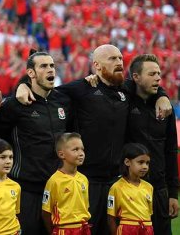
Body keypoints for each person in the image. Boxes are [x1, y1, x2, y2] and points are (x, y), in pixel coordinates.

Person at [17, 44, 171, 235]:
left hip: (116, 183)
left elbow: (150, 84)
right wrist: (23, 84)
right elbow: (44, 89)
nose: (119, 63)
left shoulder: (126, 88)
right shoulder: (81, 88)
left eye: (121, 59)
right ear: (97, 65)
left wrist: (163, 96)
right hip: (86, 182)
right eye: (112, 59)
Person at [0, 51, 71, 235]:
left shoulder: (63, 101)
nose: (50, 70)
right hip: (26, 190)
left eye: (52, 66)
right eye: (43, 66)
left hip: (57, 189)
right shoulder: (14, 105)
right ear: (31, 73)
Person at [125, 54, 178, 235]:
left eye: (159, 74)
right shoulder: (124, 102)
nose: (157, 78)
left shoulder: (166, 108)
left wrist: (173, 193)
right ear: (136, 78)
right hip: (130, 189)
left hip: (159, 190)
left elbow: (171, 151)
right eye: (152, 74)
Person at [42, 133, 91, 235]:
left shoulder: (84, 179)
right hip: (64, 230)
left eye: (82, 149)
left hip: (84, 228)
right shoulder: (54, 181)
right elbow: (46, 212)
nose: (81, 153)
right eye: (75, 149)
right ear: (61, 154)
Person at [107, 143, 154, 235]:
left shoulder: (149, 187)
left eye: (147, 163)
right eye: (140, 162)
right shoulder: (116, 187)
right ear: (127, 162)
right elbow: (111, 217)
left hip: (147, 228)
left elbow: (149, 214)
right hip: (127, 229)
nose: (145, 166)